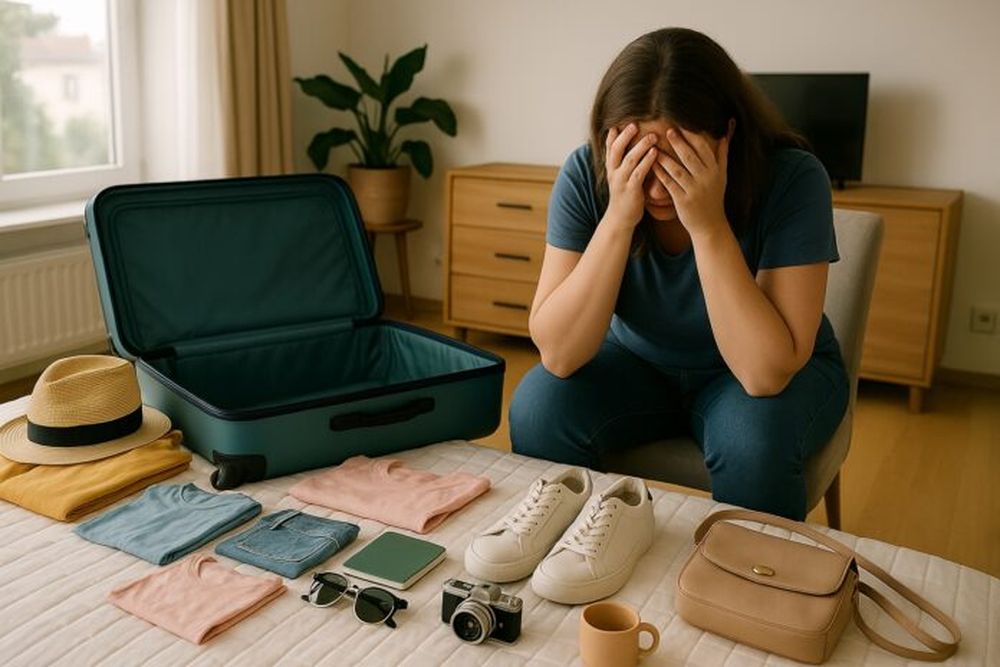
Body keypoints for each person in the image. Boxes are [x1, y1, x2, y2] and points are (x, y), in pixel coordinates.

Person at [509, 27, 849, 521]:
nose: (657, 185)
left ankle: (747, 583)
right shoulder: (587, 174)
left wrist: (708, 226)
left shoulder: (794, 179)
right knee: (539, 406)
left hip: (766, 373)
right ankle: (574, 557)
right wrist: (618, 219)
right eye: (637, 159)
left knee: (753, 442)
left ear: (727, 135)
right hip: (638, 362)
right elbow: (559, 354)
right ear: (608, 142)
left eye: (679, 160)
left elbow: (763, 373)